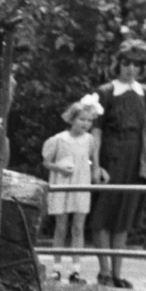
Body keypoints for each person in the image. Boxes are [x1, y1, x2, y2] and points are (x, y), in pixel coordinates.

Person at [89, 39, 146, 288]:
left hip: (134, 158)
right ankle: (103, 272)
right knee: (103, 214)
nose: (131, 69)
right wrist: (95, 165)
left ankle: (117, 274)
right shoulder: (105, 91)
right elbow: (96, 131)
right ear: (119, 64)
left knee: (124, 216)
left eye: (137, 65)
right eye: (126, 63)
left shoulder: (145, 94)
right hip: (110, 157)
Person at [41, 94, 100, 274]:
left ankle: (76, 268)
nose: (85, 124)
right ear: (71, 119)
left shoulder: (90, 140)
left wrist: (98, 172)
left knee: (78, 227)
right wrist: (58, 168)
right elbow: (46, 162)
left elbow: (93, 163)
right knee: (61, 227)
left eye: (89, 121)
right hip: (63, 183)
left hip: (81, 184)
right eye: (81, 119)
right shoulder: (58, 139)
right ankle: (57, 267)